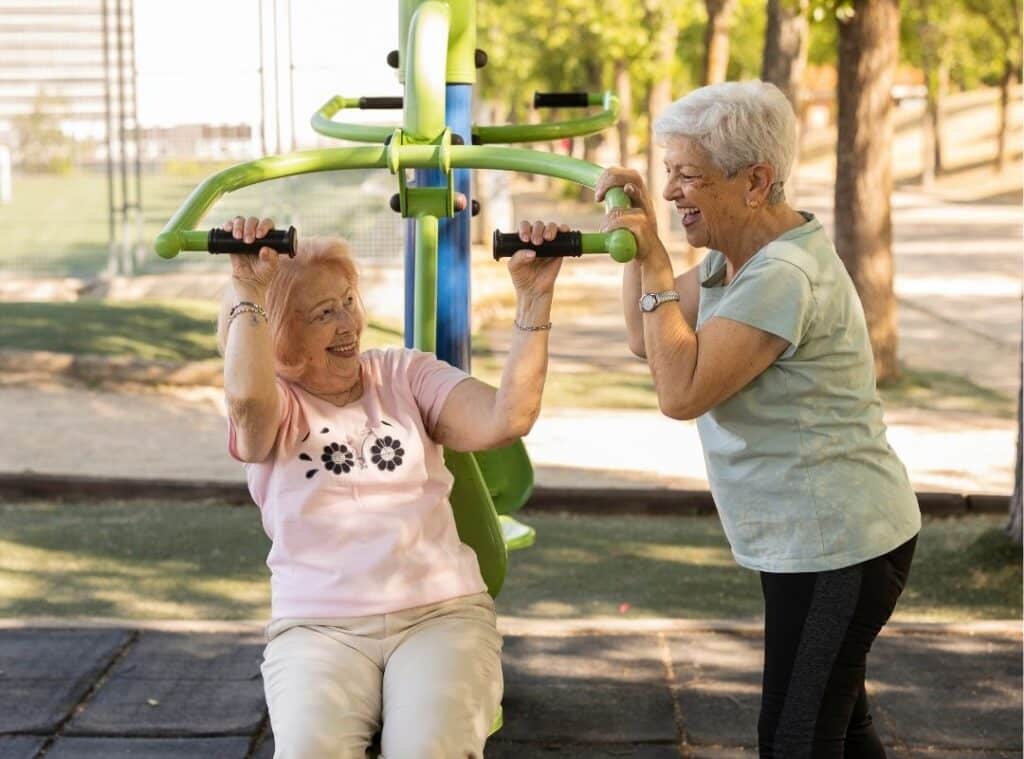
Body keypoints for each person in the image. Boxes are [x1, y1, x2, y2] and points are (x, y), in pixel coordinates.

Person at [543, 80, 921, 757]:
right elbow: (643, 334)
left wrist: (656, 262)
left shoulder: (783, 276)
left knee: (794, 740)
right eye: (667, 175)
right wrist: (645, 245)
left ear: (756, 182)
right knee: (838, 727)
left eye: (687, 177)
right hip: (824, 544)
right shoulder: (734, 260)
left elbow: (680, 391)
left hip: (841, 548)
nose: (669, 192)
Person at [217, 214, 564, 759]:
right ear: (281, 334)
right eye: (323, 314)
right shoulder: (276, 406)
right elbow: (244, 400)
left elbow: (506, 417)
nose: (347, 323)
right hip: (318, 626)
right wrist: (247, 287)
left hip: (440, 614)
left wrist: (534, 299)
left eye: (348, 301)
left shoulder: (402, 375)